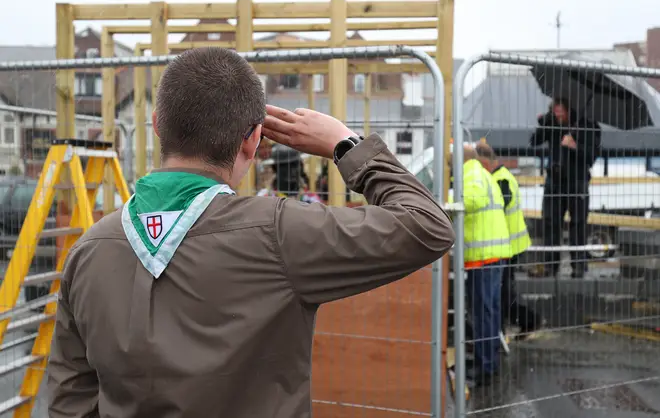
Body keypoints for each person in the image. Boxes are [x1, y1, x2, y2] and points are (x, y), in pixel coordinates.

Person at [47, 47, 456, 418]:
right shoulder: (278, 233)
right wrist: (344, 145)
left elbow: (70, 401)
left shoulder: (88, 251)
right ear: (254, 139)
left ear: (156, 126)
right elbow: (427, 226)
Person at [451, 144, 511, 387]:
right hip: (492, 254)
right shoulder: (481, 173)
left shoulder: (472, 173)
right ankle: (488, 362)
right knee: (490, 311)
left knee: (482, 312)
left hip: (484, 256)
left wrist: (449, 203)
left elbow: (472, 201)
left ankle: (484, 366)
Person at [531, 97, 602, 278]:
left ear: (570, 109)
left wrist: (574, 146)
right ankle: (550, 264)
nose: (558, 114)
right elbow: (534, 141)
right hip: (554, 182)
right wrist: (547, 121)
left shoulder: (587, 125)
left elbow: (591, 157)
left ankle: (578, 265)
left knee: (578, 225)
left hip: (577, 183)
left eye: (561, 111)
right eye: (555, 110)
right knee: (550, 222)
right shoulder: (552, 123)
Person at [475, 141, 540, 335]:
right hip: (507, 244)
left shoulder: (501, 179)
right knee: (502, 291)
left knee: (501, 292)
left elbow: (496, 208)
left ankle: (525, 321)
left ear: (487, 162)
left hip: (508, 245)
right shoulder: (500, 177)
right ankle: (507, 326)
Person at [256, 143, 322, 203]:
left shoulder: (311, 200)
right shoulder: (264, 199)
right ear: (275, 168)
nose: (293, 170)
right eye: (286, 166)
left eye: (295, 164)